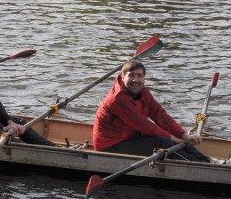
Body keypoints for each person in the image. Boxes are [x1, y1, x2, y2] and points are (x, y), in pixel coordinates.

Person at [93, 59, 227, 164]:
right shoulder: (118, 99)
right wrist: (174, 139)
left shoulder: (143, 92)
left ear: (144, 79)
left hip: (129, 138)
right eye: (131, 75)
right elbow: (144, 125)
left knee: (170, 138)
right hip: (110, 146)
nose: (135, 80)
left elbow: (161, 116)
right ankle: (203, 167)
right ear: (123, 77)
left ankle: (210, 161)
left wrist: (185, 136)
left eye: (139, 76)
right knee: (162, 142)